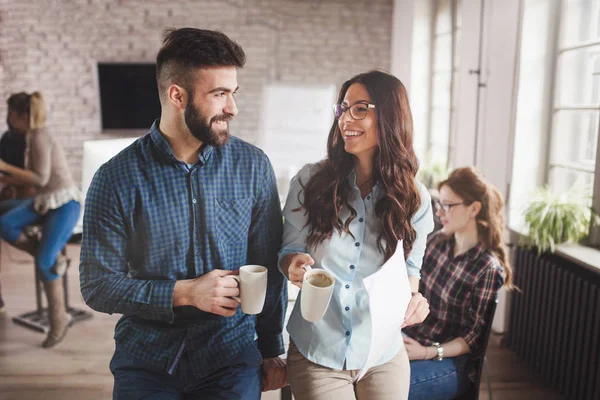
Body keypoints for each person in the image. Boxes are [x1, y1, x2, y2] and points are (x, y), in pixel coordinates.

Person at [79, 28, 287, 400]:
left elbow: (266, 262)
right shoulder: (115, 179)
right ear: (177, 95)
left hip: (230, 356)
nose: (232, 108)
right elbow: (97, 285)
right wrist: (185, 292)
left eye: (232, 93)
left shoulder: (253, 166)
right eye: (219, 94)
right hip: (147, 358)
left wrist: (271, 349)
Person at [279, 70, 435, 400]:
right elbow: (289, 248)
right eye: (343, 108)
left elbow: (409, 274)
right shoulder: (310, 182)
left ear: (391, 116)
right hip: (319, 349)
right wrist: (293, 264)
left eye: (360, 108)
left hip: (382, 353)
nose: (346, 119)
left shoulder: (414, 199)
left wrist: (414, 301)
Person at [402, 166, 514, 400]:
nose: (440, 212)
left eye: (448, 205)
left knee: (388, 392)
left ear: (474, 209)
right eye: (439, 204)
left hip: (450, 362)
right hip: (412, 342)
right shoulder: (436, 243)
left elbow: (472, 339)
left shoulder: (487, 268)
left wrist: (425, 352)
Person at [0, 91, 82, 346]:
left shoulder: (39, 135)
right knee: (4, 220)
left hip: (64, 205)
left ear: (21, 115)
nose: (8, 118)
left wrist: (3, 165)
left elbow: (40, 179)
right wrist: (6, 180)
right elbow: (34, 179)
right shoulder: (29, 137)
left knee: (43, 263)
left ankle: (59, 318)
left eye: (10, 113)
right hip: (44, 202)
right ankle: (51, 255)